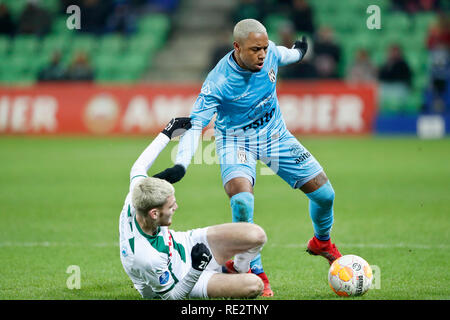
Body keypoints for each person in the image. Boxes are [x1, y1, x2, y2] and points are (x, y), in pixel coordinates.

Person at [153, 19, 343, 297]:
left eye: (265, 48)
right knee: (242, 200)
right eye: (255, 49)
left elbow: (285, 54)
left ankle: (322, 243)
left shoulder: (271, 54)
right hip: (235, 142)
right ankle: (254, 269)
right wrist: (181, 164)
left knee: (325, 195)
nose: (263, 55)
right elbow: (195, 125)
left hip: (275, 136)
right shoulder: (218, 82)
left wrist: (300, 52)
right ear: (237, 47)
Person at [119, 117, 267, 300]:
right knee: (254, 285)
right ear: (154, 213)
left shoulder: (138, 194)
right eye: (171, 206)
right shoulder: (147, 257)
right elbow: (171, 297)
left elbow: (138, 167)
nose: (176, 207)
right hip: (184, 279)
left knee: (257, 235)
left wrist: (167, 133)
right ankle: (220, 276)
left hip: (186, 244)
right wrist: (197, 269)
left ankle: (235, 270)